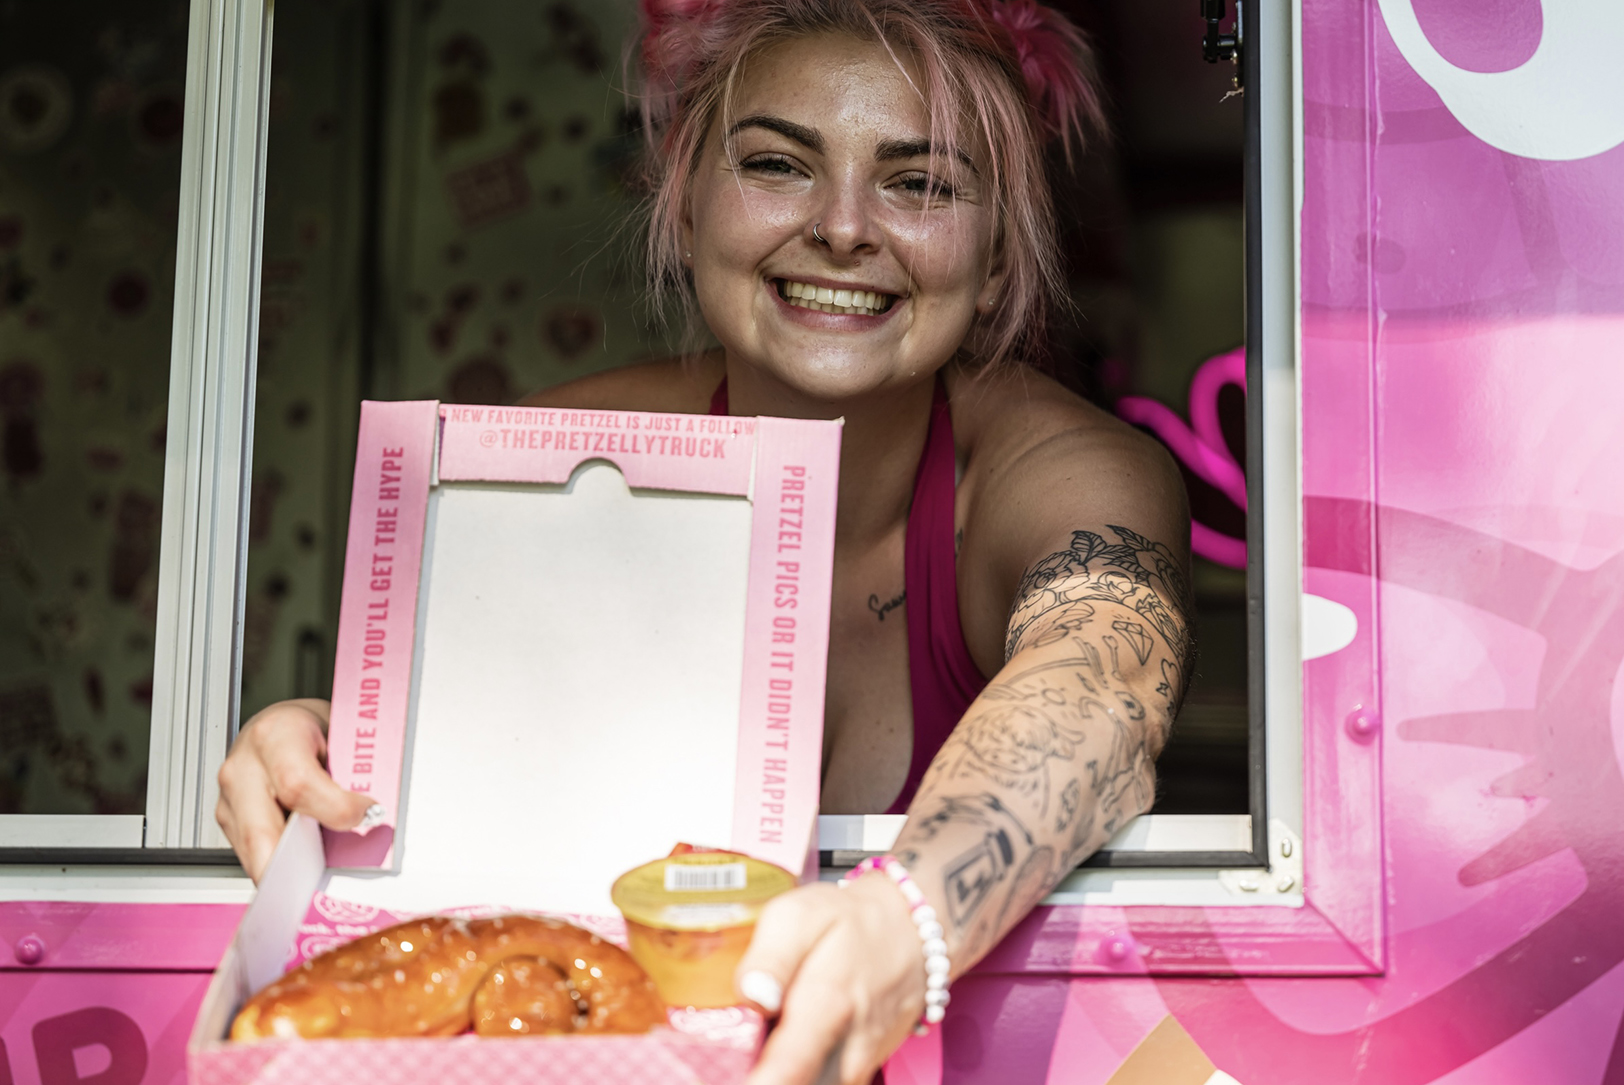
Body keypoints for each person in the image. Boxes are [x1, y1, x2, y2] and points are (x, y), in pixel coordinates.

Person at [215, 0, 1193, 1080]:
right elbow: (468, 789)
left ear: (998, 256)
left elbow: (1102, 678)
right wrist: (337, 754)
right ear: (683, 209)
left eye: (918, 183)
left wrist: (903, 918)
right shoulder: (546, 450)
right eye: (777, 164)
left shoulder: (1068, 472)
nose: (843, 227)